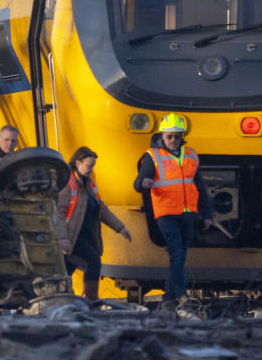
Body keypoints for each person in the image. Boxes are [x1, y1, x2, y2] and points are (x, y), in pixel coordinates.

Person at [133, 112, 213, 305]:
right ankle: (182, 295)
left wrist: (208, 214)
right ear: (162, 136)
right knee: (176, 254)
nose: (173, 140)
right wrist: (143, 182)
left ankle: (169, 299)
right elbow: (136, 184)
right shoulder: (152, 156)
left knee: (179, 257)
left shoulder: (191, 155)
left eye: (177, 136)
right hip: (166, 214)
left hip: (188, 214)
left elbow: (200, 187)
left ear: (182, 137)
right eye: (169, 136)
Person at [57, 146, 131, 302]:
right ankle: (91, 299)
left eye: (93, 166)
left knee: (68, 268)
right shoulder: (68, 184)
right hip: (72, 235)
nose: (91, 169)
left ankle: (63, 298)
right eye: (89, 166)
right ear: (78, 163)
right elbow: (58, 213)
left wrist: (120, 227)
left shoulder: (89, 184)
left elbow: (101, 208)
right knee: (93, 260)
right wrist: (62, 238)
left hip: (84, 235)